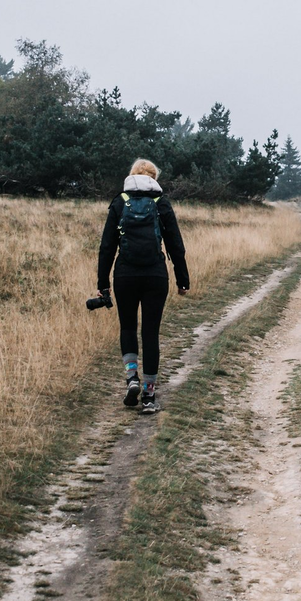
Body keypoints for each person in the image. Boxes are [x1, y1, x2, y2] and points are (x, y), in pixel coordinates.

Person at [96, 158, 189, 414]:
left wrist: (102, 284)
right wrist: (183, 281)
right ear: (154, 178)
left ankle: (132, 378)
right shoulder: (162, 203)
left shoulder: (119, 201)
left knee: (127, 327)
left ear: (132, 175)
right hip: (155, 276)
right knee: (150, 333)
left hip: (124, 275)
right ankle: (149, 396)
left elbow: (107, 247)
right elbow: (175, 245)